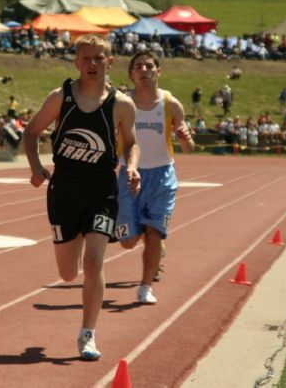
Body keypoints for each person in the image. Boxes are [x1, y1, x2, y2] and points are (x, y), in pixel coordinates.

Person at [23, 34, 140, 361]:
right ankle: (70, 256)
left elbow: (130, 142)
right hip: (64, 192)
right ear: (76, 63)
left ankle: (87, 334)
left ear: (109, 62)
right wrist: (35, 167)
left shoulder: (120, 104)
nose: (92, 64)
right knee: (68, 274)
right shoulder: (61, 97)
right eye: (86, 58)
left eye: (98, 58)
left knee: (94, 262)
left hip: (102, 191)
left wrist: (131, 167)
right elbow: (31, 132)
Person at [114, 50, 195, 305]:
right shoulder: (121, 103)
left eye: (150, 66)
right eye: (139, 66)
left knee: (153, 233)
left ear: (158, 71)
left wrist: (185, 138)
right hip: (130, 173)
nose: (144, 70)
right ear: (131, 74)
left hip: (162, 175)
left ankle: (145, 287)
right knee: (127, 241)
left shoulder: (171, 104)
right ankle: (154, 243)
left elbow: (188, 148)